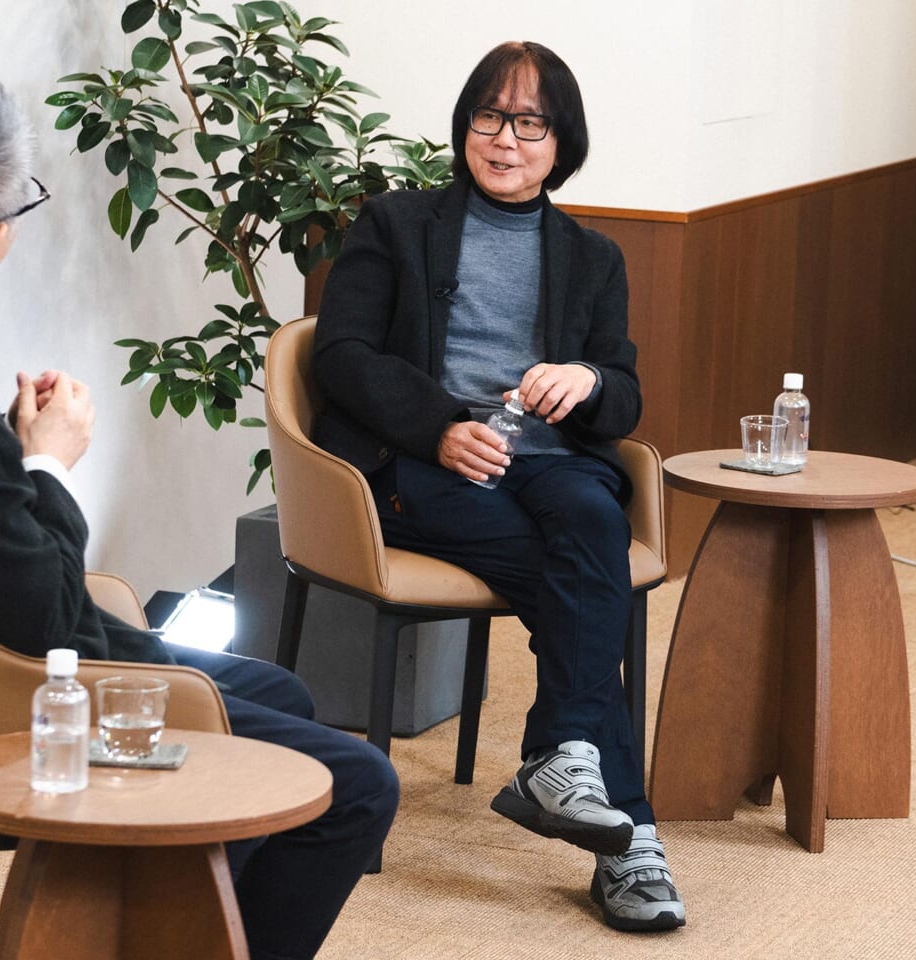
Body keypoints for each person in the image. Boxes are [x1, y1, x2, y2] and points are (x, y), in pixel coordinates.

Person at [0, 84, 397, 960]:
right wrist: (49, 463)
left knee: (282, 696)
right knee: (359, 786)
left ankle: (176, 934)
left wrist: (8, 451)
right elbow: (49, 619)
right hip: (5, 690)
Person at [313, 41, 686, 932]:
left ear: (562, 144)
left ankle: (564, 765)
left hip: (549, 461)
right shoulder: (396, 223)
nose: (505, 139)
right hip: (422, 467)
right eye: (489, 116)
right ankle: (629, 839)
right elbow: (341, 354)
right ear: (464, 126)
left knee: (592, 521)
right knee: (585, 585)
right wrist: (440, 426)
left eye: (529, 123)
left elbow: (624, 389)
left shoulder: (592, 257)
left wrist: (587, 381)